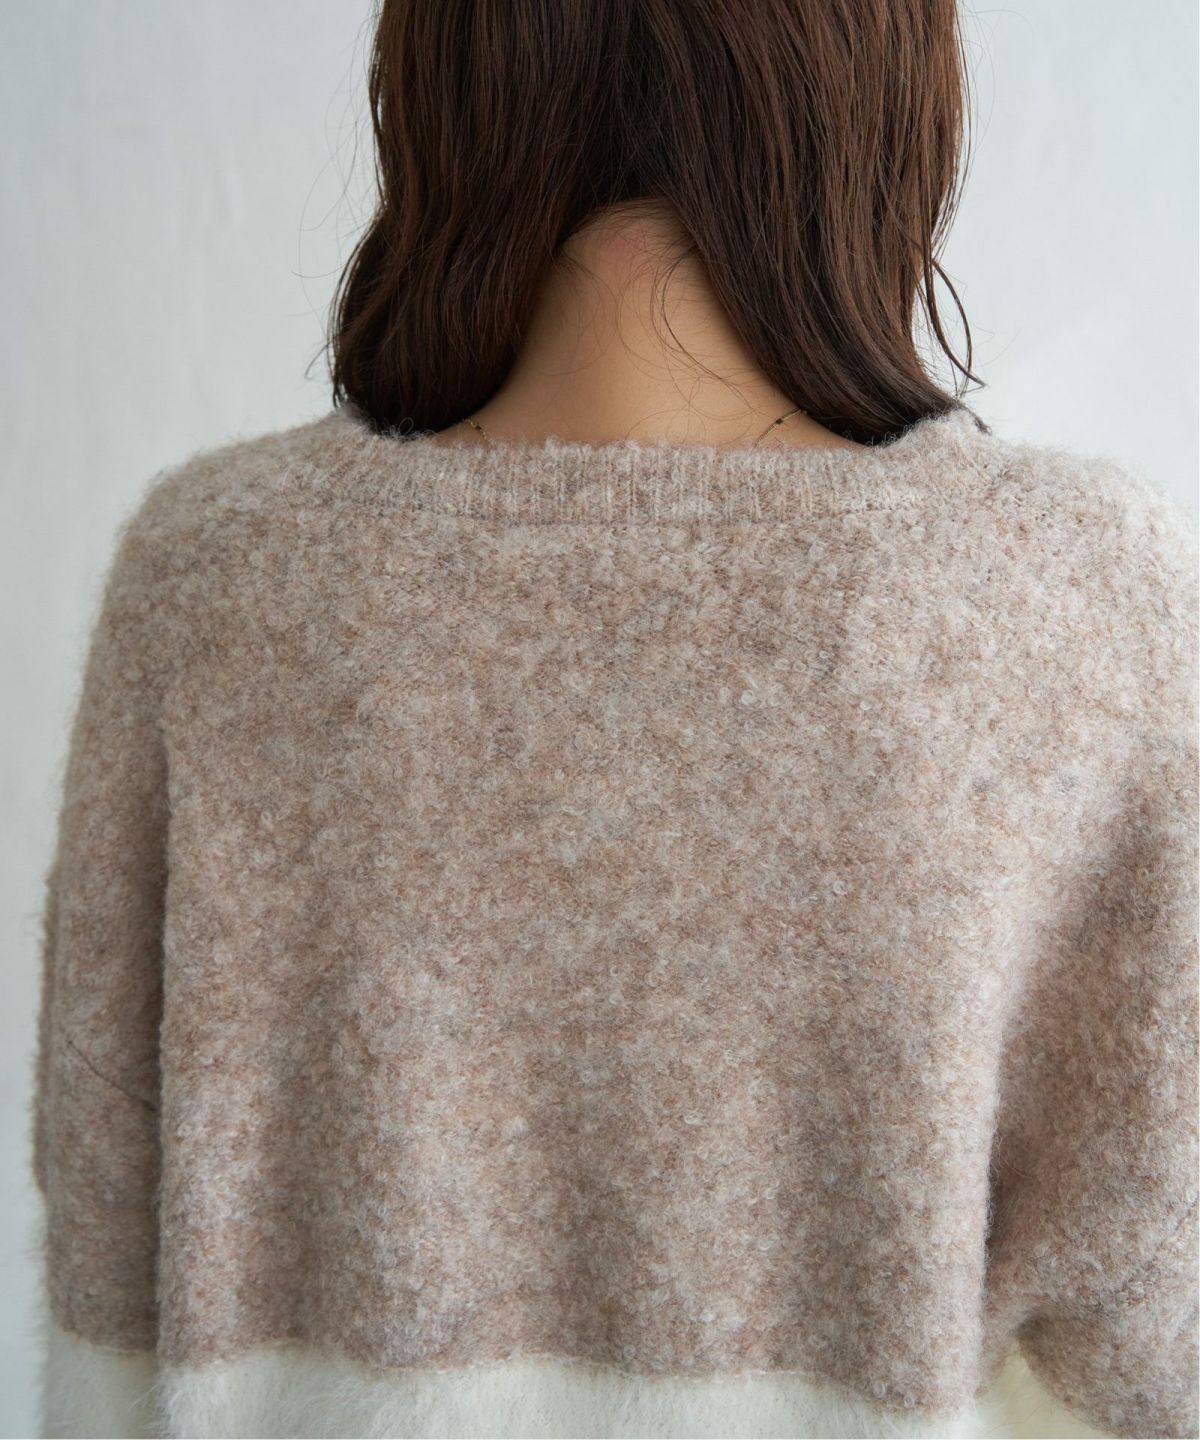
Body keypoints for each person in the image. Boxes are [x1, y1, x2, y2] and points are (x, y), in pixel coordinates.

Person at [31, 1, 1198, 1437]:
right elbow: (1150, 1322)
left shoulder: (218, 578)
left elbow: (107, 1260)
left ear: (443, 70)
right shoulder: (1075, 600)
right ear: (884, 88)